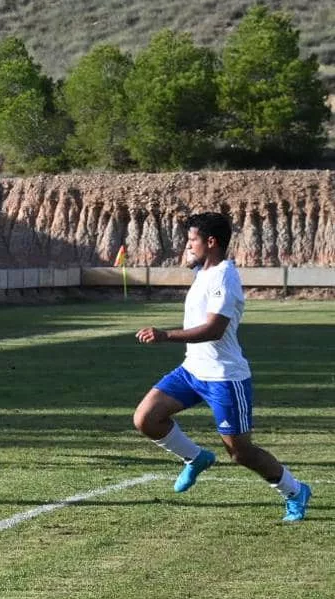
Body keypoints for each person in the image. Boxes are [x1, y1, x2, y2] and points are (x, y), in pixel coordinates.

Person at [132, 212, 311, 522]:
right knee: (146, 418)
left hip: (225, 377)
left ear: (211, 242)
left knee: (241, 453)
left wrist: (165, 335)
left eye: (192, 241)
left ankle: (294, 490)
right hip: (192, 371)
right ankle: (195, 458)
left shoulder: (224, 278)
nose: (186, 247)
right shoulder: (205, 270)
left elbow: (214, 329)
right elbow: (193, 264)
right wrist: (192, 258)